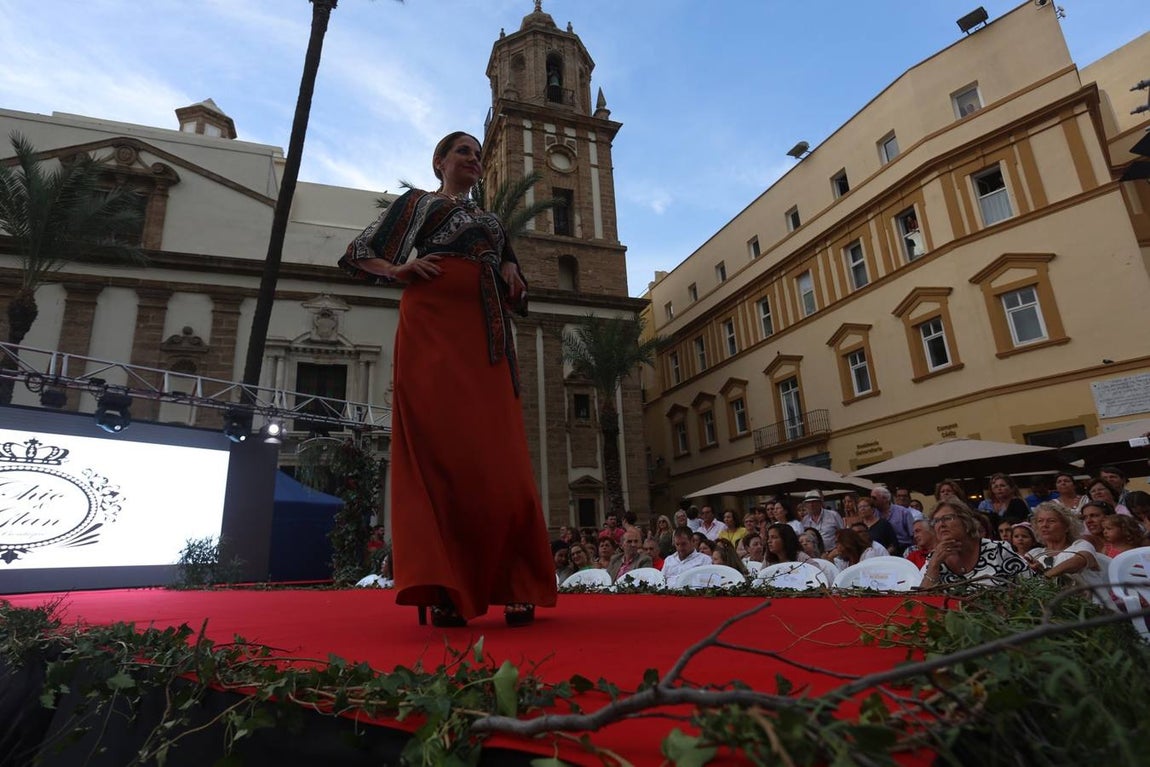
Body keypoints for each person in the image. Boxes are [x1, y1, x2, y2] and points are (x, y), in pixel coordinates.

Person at [339, 131, 555, 628]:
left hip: (487, 337)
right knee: (441, 455)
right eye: (463, 152)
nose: (474, 159)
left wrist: (510, 273)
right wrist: (399, 269)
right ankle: (446, 589)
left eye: (478, 154)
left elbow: (516, 282)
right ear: (439, 162)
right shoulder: (418, 202)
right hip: (433, 328)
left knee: (500, 461)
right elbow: (360, 252)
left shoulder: (492, 221)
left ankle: (516, 583)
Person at [919, 500, 1030, 588]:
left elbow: (1033, 586)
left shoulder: (999, 550)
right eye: (936, 521)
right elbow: (922, 601)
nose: (941, 524)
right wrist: (934, 565)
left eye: (947, 518)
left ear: (965, 521)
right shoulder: (934, 558)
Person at [1025, 501, 1103, 588]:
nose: (1044, 525)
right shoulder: (1034, 554)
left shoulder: (1080, 545)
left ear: (1067, 527)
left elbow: (1080, 560)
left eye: (1051, 521)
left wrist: (1047, 575)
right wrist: (1039, 571)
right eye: (1040, 521)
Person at [870, 486, 915, 554]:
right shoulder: (873, 513)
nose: (871, 500)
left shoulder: (903, 512)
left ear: (885, 499)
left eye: (874, 498)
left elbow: (913, 534)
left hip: (902, 549)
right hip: (879, 550)